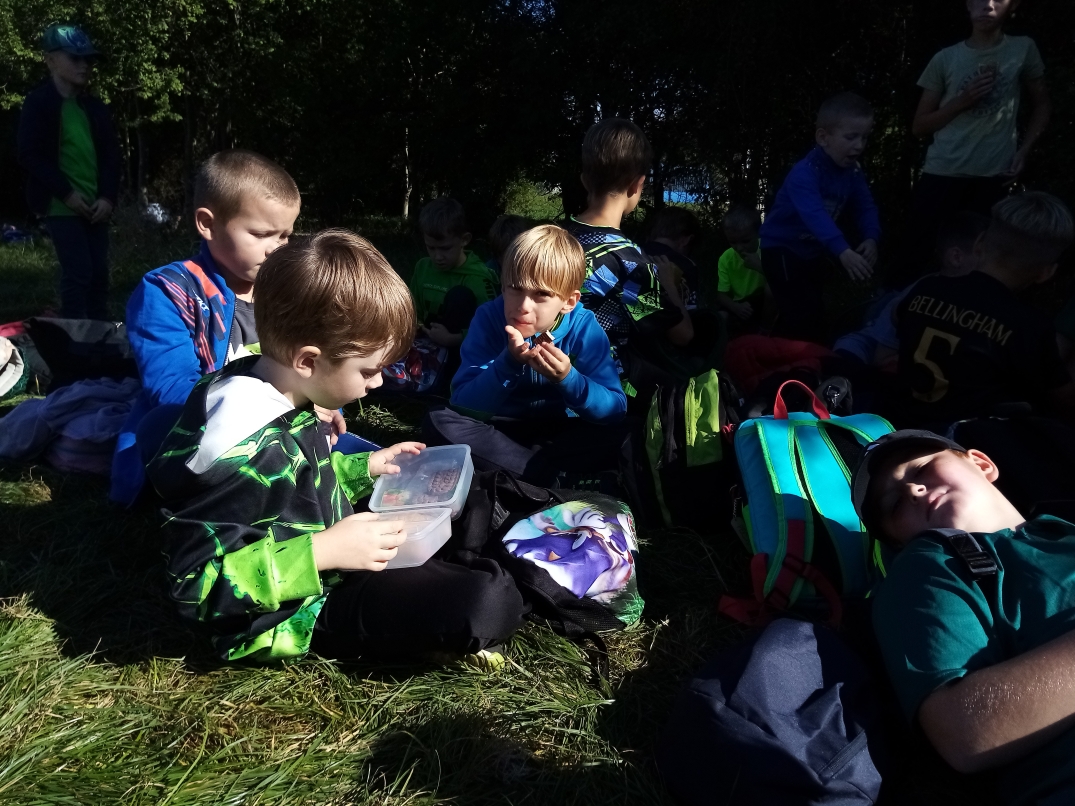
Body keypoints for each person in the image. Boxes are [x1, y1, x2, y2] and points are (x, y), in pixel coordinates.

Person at [146, 229, 526, 665]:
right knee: (485, 602)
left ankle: (453, 568)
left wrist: (364, 468)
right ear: (308, 360)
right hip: (300, 609)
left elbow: (298, 486)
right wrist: (322, 552)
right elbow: (194, 586)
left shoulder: (277, 382)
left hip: (334, 543)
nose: (378, 382)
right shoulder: (240, 450)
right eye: (368, 370)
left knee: (472, 493)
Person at [851, 429, 1075, 805]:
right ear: (897, 541)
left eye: (921, 469)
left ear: (982, 464)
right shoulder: (927, 566)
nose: (913, 490)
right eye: (894, 505)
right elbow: (964, 730)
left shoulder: (1064, 533)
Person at [110, 150, 305, 505]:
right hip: (201, 434)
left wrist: (325, 406)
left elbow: (310, 361)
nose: (277, 250)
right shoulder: (168, 292)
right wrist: (267, 416)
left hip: (279, 424)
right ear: (207, 223)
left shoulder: (285, 291)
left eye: (285, 236)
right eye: (262, 234)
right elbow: (172, 389)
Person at [425, 225, 628, 487]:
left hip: (560, 428)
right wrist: (507, 363)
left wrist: (569, 379)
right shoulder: (488, 319)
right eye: (515, 288)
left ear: (569, 301)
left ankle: (522, 473)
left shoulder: (583, 326)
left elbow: (615, 408)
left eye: (541, 294)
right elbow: (464, 404)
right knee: (439, 420)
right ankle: (557, 480)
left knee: (628, 428)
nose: (523, 306)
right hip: (501, 428)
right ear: (502, 286)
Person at [896, 0, 1050, 285]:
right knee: (916, 256)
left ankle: (965, 309)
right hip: (943, 172)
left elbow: (1042, 104)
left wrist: (1024, 151)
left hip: (994, 176)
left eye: (997, 0)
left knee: (980, 260)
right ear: (967, 5)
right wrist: (962, 101)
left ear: (1012, 6)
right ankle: (898, 306)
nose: (987, 6)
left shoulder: (1023, 49)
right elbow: (919, 126)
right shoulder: (945, 58)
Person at [893, 192, 1074, 429]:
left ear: (979, 243)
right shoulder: (1030, 327)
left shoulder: (926, 289)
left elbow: (898, 320)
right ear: (1046, 272)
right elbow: (1063, 401)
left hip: (895, 426)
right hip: (964, 443)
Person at [565, 119, 697, 397]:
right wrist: (668, 285)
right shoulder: (629, 262)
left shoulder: (551, 239)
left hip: (542, 372)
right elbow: (683, 335)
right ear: (637, 185)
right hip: (601, 387)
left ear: (585, 180)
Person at [759, 92, 882, 344]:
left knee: (811, 309)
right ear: (823, 137)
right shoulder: (804, 173)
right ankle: (780, 351)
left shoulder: (852, 172)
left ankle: (783, 344)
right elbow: (814, 214)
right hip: (782, 249)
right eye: (851, 137)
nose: (859, 145)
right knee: (800, 311)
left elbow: (865, 206)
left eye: (864, 137)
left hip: (812, 251)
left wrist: (871, 237)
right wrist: (842, 250)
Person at [16, 24, 120, 320]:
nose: (84, 65)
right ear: (50, 60)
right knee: (79, 273)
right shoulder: (39, 104)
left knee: (99, 275)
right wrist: (67, 194)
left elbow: (112, 157)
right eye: (75, 58)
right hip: (60, 205)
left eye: (88, 59)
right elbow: (29, 155)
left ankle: (99, 336)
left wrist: (107, 198)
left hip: (96, 207)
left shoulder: (95, 107)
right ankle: (75, 338)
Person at [834, 211, 989, 371]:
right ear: (956, 257)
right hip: (865, 354)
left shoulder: (983, 297)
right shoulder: (920, 293)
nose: (993, 263)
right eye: (985, 254)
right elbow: (882, 360)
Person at [409, 197, 500, 348]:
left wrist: (453, 339)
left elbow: (492, 328)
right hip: (425, 344)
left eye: (445, 248)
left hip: (463, 350)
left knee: (460, 296)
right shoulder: (422, 267)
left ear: (464, 240)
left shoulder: (478, 278)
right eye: (431, 248)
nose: (437, 257)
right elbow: (412, 309)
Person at [713, 204, 770, 333]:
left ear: (758, 233)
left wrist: (760, 266)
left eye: (745, 241)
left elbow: (779, 282)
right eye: (733, 242)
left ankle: (765, 331)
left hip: (763, 300)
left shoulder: (767, 250)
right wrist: (735, 307)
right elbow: (721, 295)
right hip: (740, 303)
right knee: (721, 317)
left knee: (770, 291)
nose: (739, 248)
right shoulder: (726, 258)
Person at [643, 206, 703, 313]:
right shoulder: (686, 265)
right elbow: (692, 312)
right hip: (673, 322)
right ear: (687, 240)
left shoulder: (632, 254)